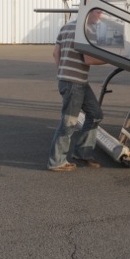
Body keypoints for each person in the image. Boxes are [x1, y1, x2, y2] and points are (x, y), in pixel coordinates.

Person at [47, 9, 106, 172]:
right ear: (89, 12)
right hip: (74, 83)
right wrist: (112, 58)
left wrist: (61, 74)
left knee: (95, 114)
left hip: (72, 81)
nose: (101, 16)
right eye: (99, 12)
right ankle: (56, 161)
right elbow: (89, 59)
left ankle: (83, 152)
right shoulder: (87, 31)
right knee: (68, 122)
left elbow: (55, 53)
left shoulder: (66, 27)